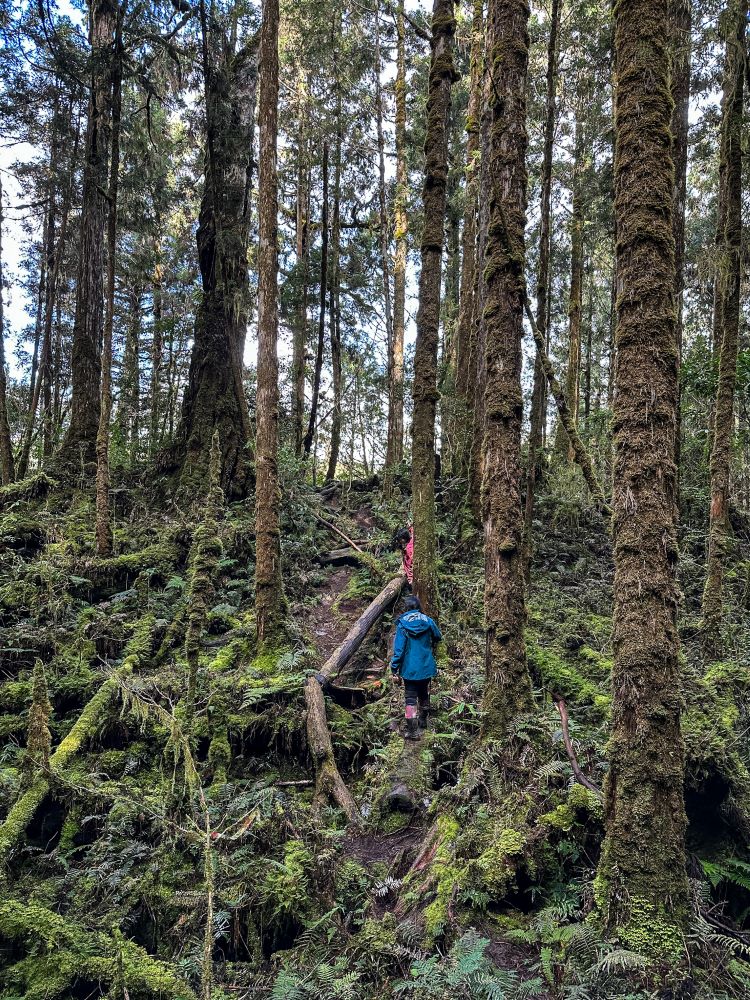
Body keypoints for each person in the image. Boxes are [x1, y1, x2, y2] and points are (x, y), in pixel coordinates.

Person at [390, 595, 441, 740]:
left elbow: (399, 650)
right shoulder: (427, 620)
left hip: (410, 668)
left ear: (406, 608)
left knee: (410, 698)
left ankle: (413, 731)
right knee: (424, 692)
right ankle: (423, 720)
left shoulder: (402, 623)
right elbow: (438, 636)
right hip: (426, 665)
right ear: (418, 607)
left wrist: (394, 668)